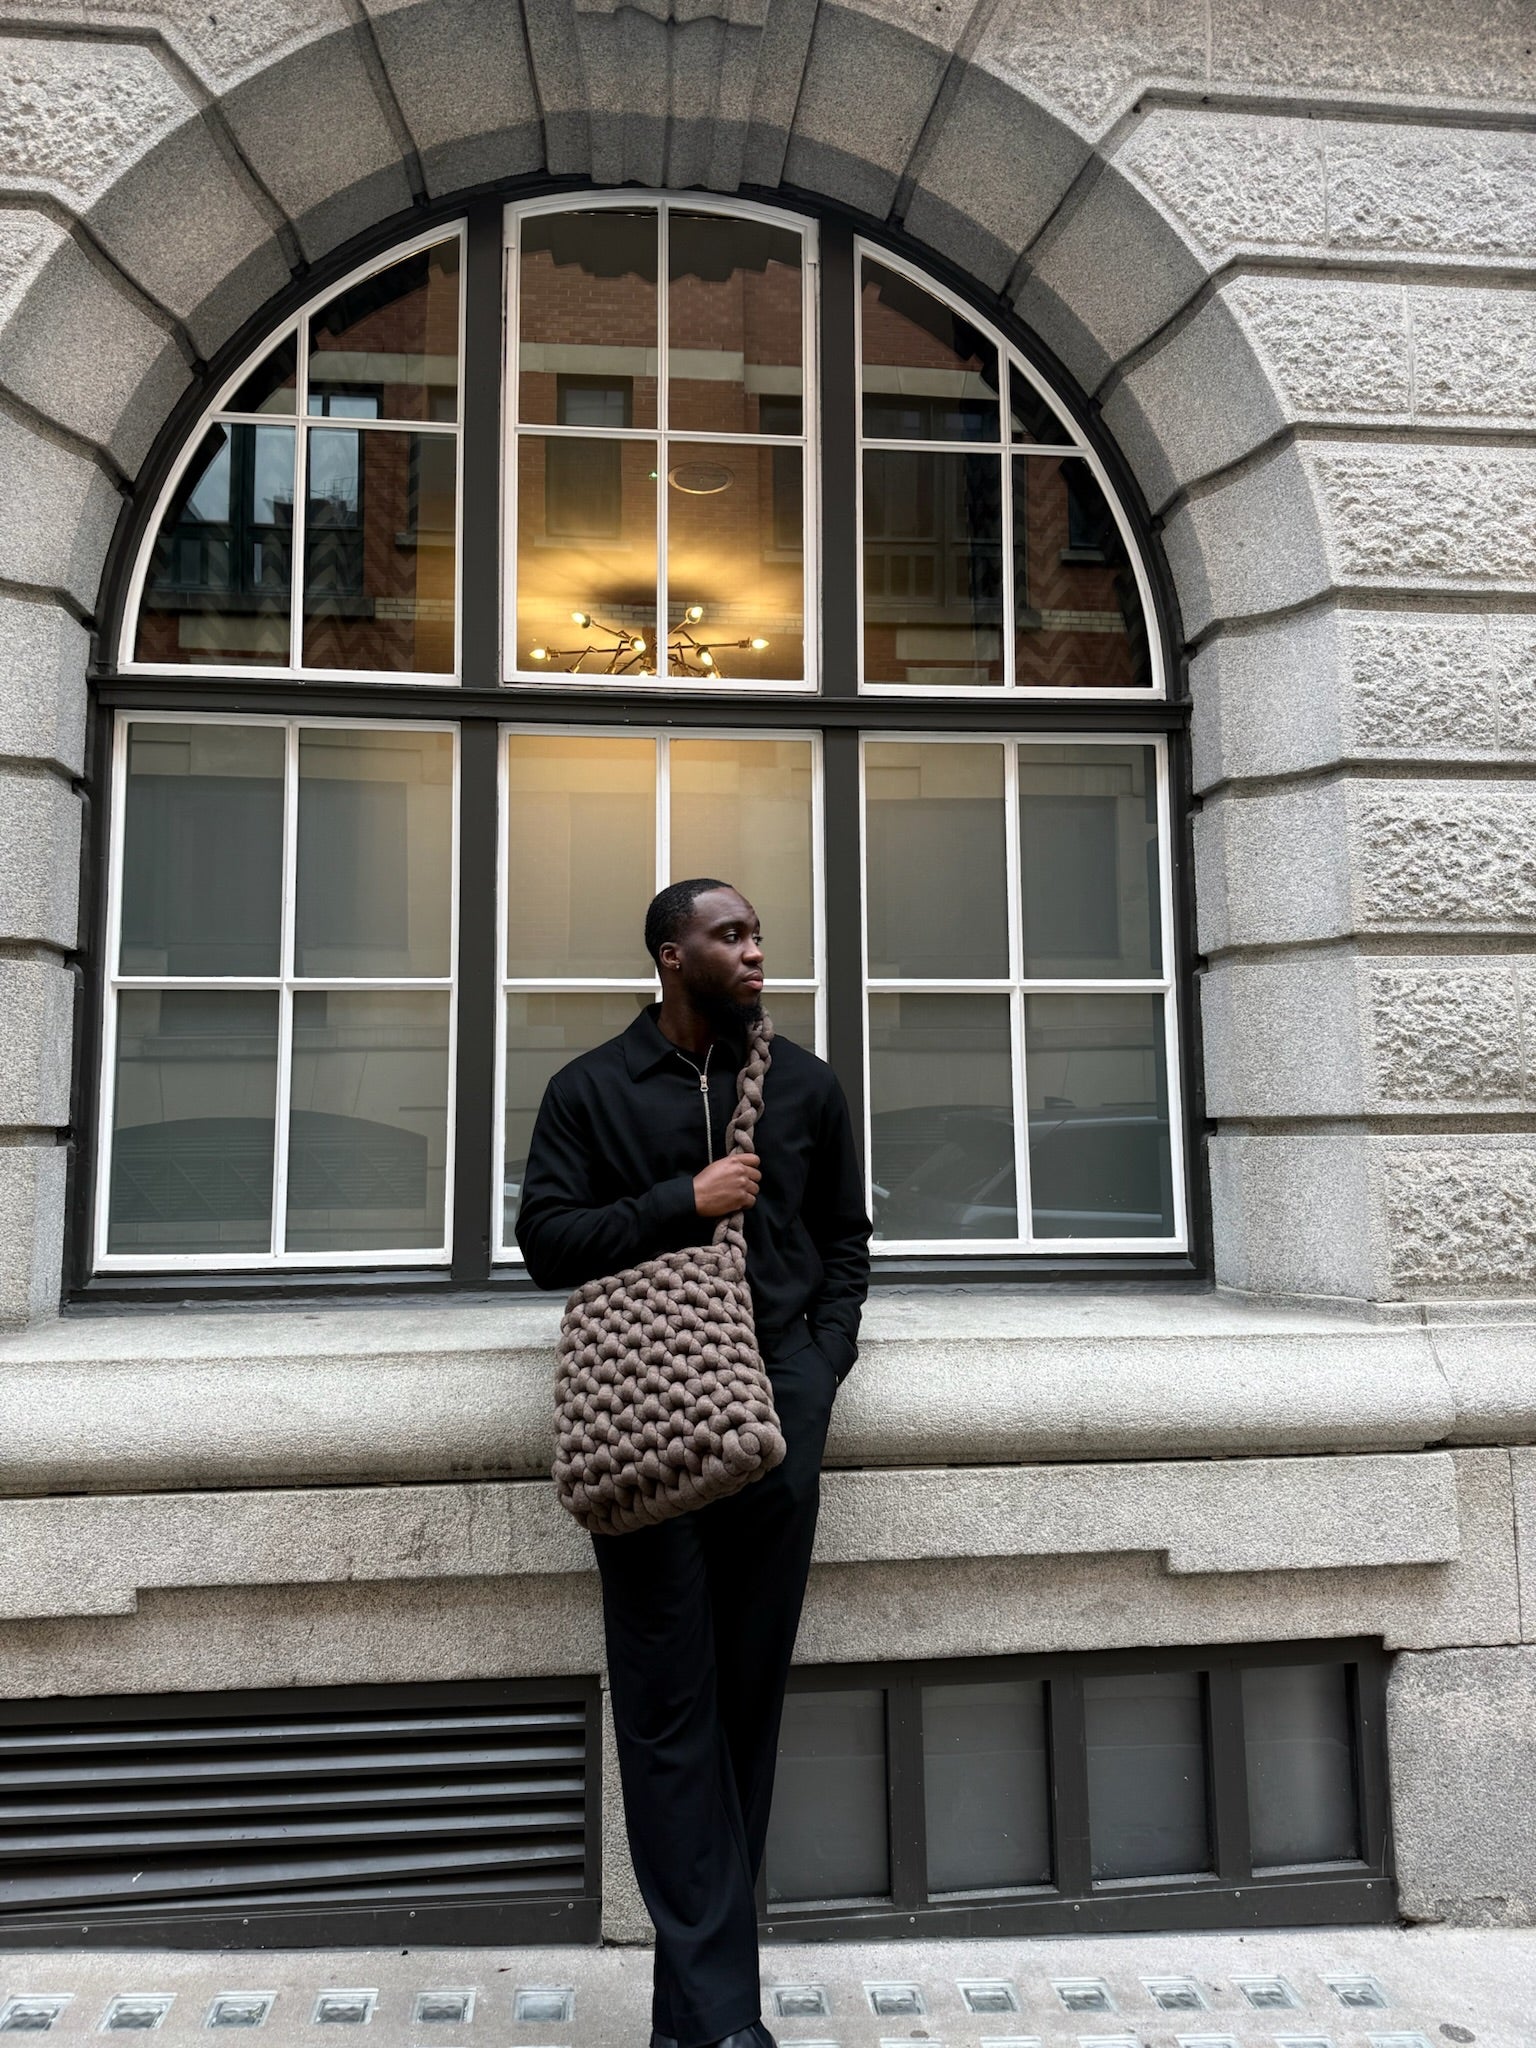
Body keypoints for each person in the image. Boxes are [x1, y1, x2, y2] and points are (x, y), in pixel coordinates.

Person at [516, 878, 872, 2048]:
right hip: (645, 1441)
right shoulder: (588, 1090)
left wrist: (815, 1379)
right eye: (732, 935)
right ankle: (725, 2021)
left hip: (775, 1435)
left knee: (743, 1716)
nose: (757, 950)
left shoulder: (808, 1086)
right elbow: (547, 1245)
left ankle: (696, 2022)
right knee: (671, 1718)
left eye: (759, 933)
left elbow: (844, 1251)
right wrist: (688, 1198)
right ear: (673, 954)